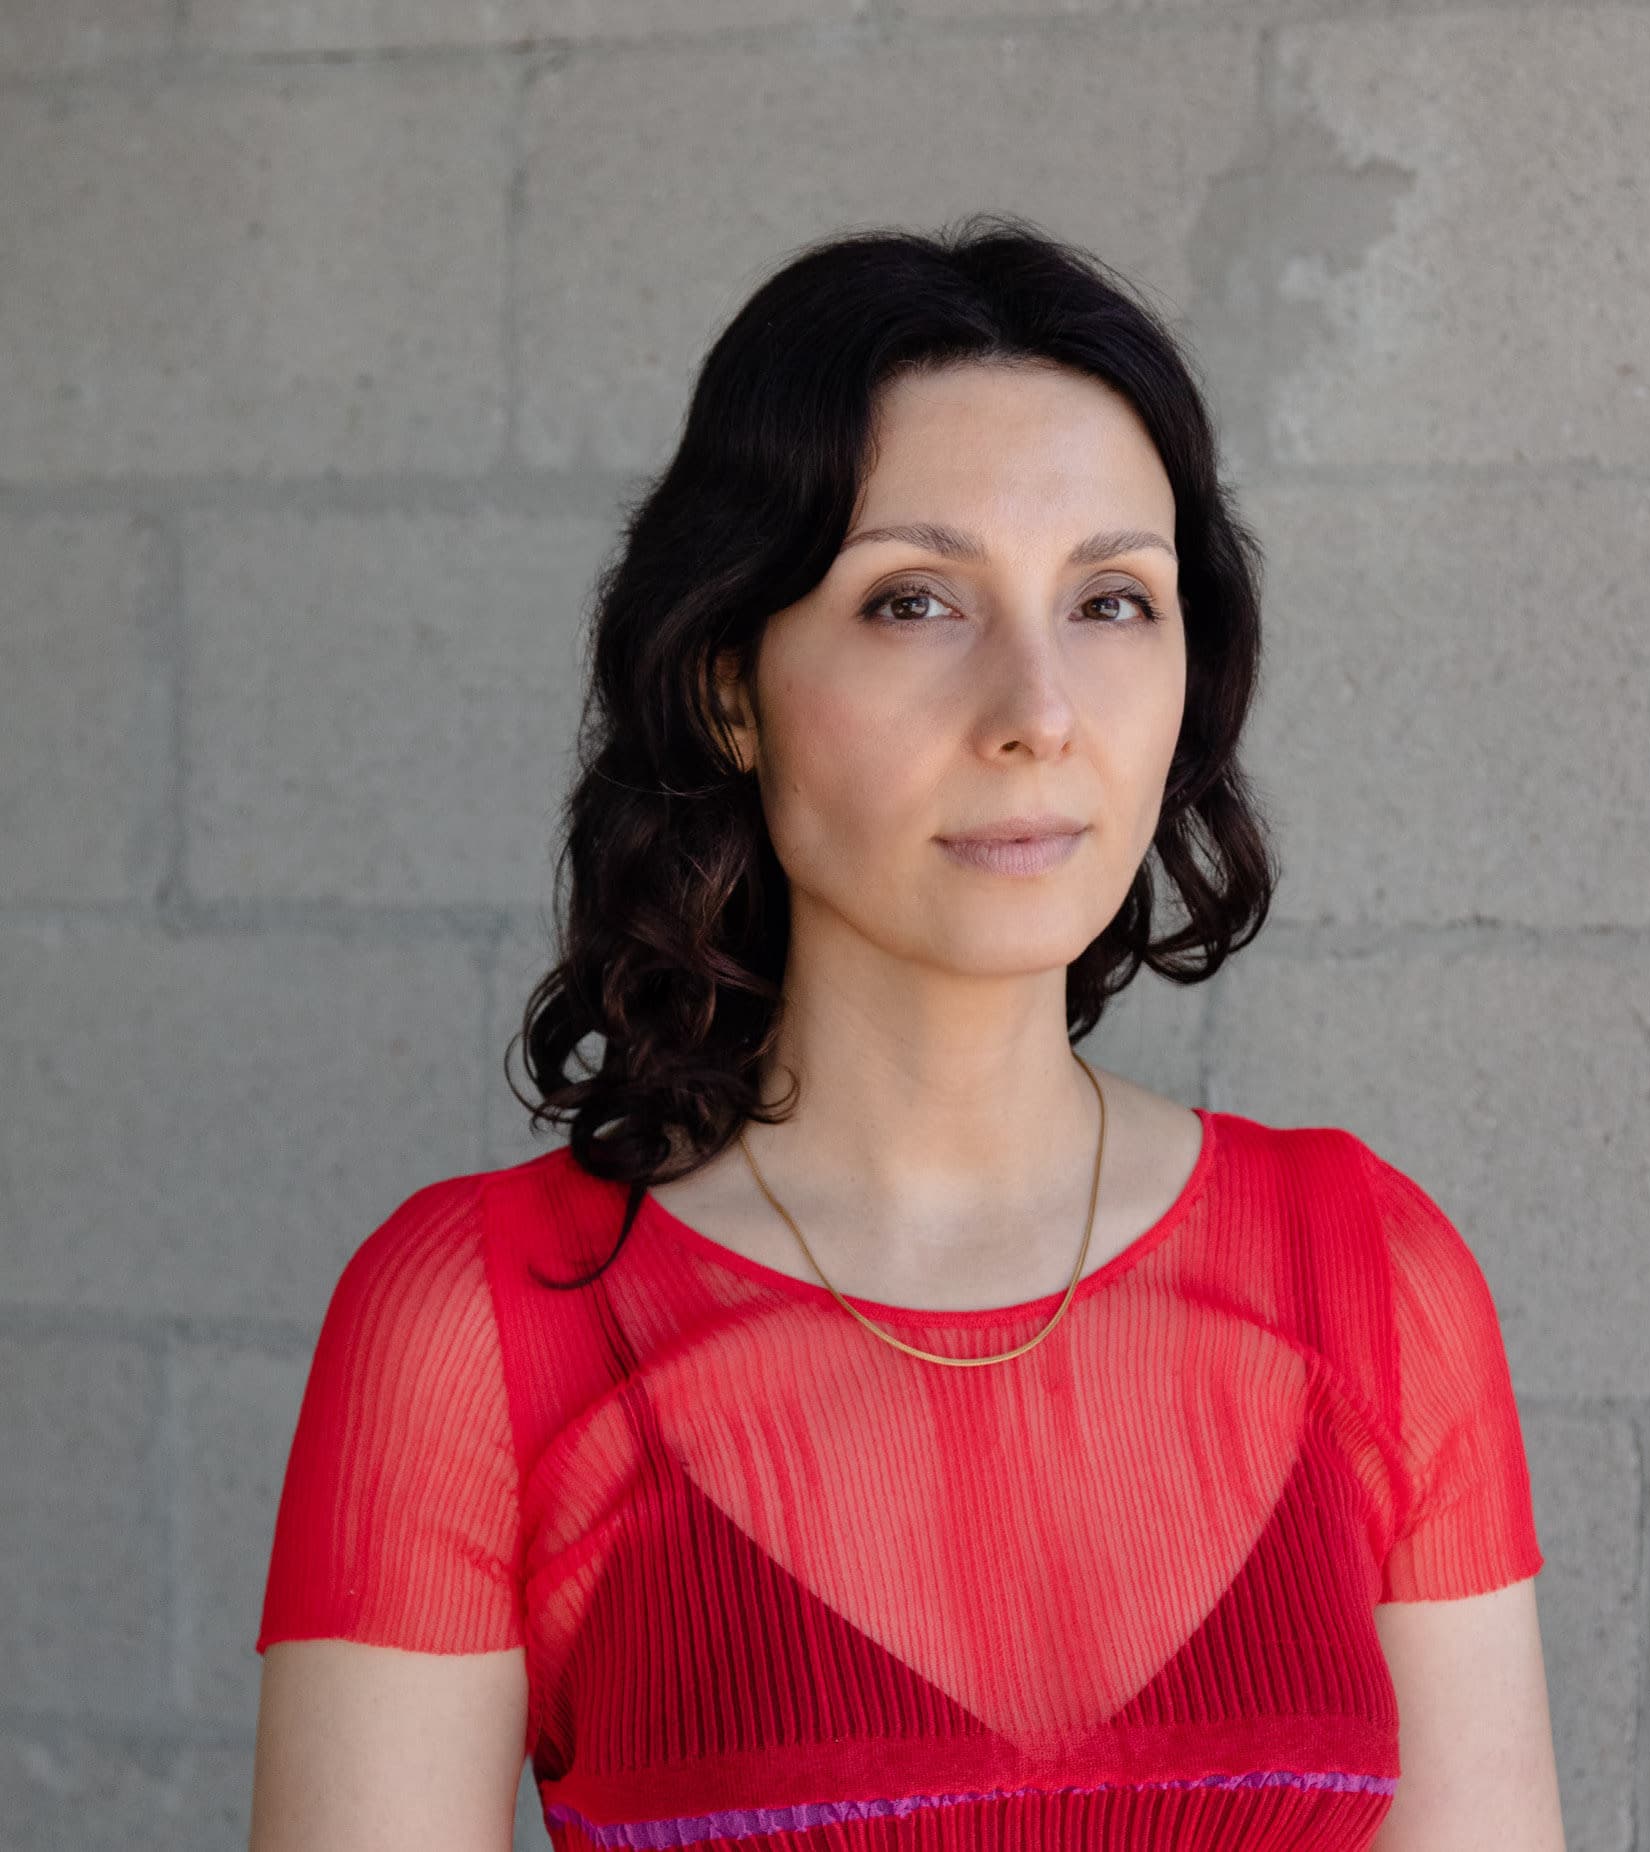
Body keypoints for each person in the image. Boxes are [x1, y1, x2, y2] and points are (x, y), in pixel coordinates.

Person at [248, 212, 1566, 1851]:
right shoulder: (481, 1326)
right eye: (914, 603)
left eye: (1111, 601)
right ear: (728, 680)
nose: (1035, 712)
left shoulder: (1366, 1275)